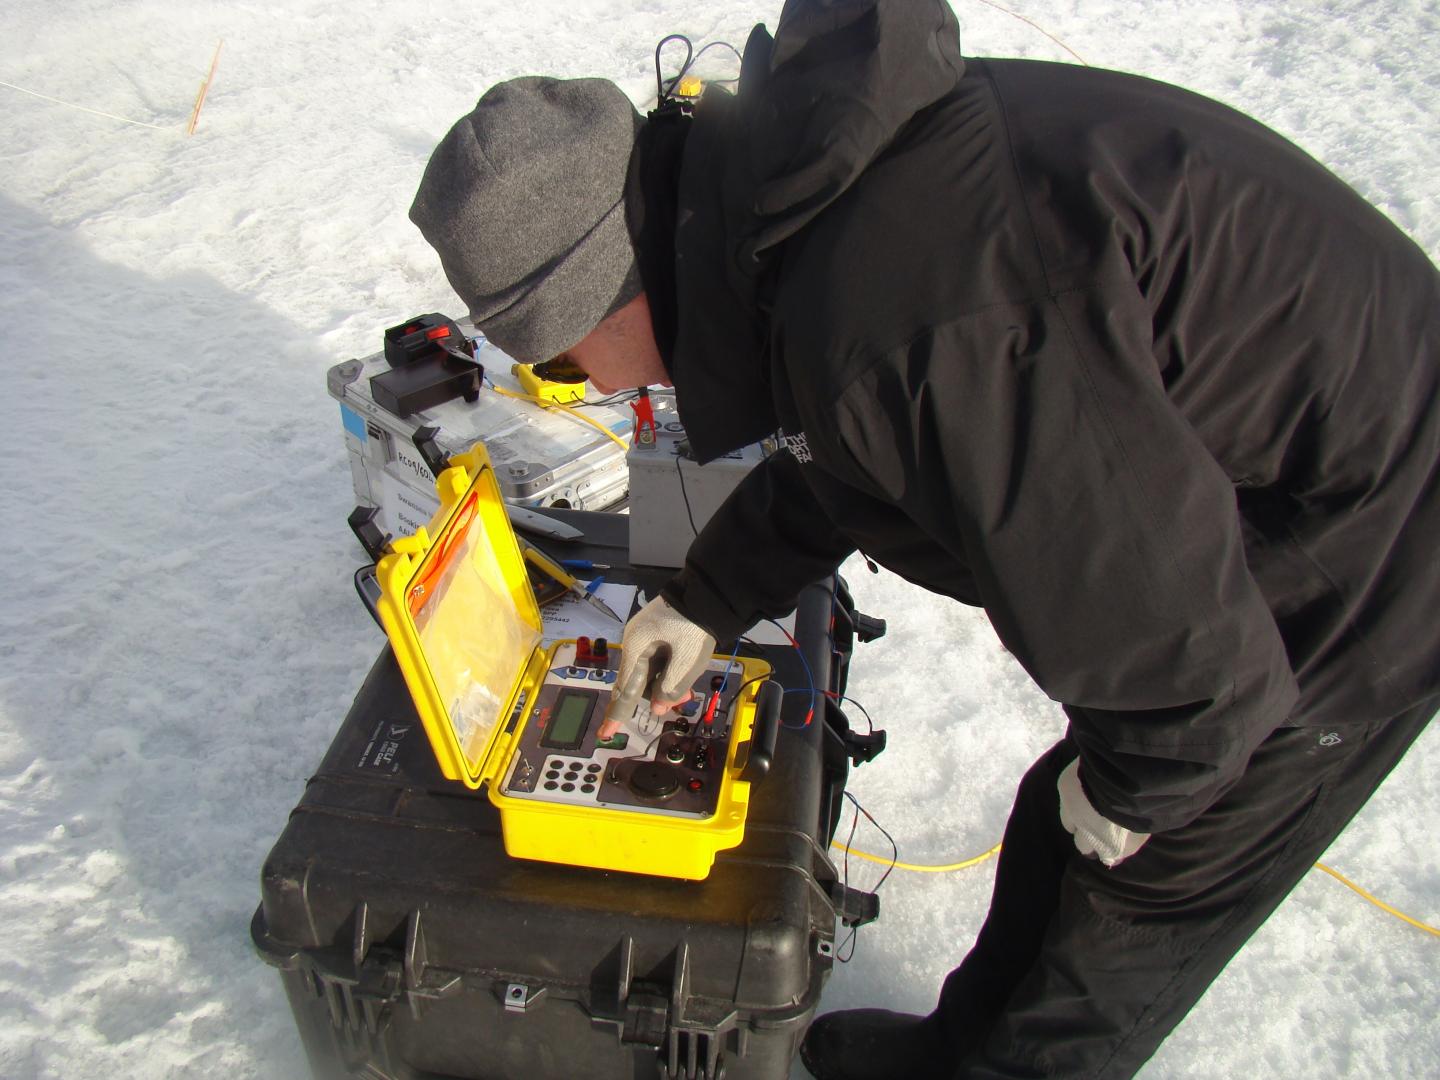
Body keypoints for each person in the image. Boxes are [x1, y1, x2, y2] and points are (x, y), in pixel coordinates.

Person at [407, 1, 1440, 1076]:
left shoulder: (918, 317)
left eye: (568, 363)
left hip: (1376, 535)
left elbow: (1190, 672)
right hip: (1277, 475)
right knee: (1063, 816)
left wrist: (1145, 785)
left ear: (605, 293)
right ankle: (952, 1051)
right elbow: (855, 446)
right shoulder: (793, 205)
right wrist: (705, 597)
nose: (591, 389)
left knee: (1131, 901)